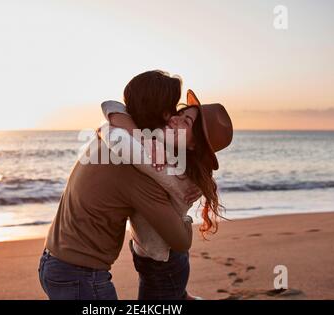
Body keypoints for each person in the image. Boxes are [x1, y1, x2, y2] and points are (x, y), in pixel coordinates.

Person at [38, 70, 195, 300]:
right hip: (80, 276)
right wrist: (186, 217)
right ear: (164, 114)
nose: (175, 118)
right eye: (174, 110)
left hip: (53, 261)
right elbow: (180, 241)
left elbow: (113, 107)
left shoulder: (113, 133)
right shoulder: (136, 164)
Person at [99, 85, 233, 299]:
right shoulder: (168, 151)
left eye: (185, 122)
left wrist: (109, 130)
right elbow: (113, 107)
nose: (174, 119)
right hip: (151, 254)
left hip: (163, 264)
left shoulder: (168, 167)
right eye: (180, 114)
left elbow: (112, 125)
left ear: (193, 145)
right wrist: (149, 139)